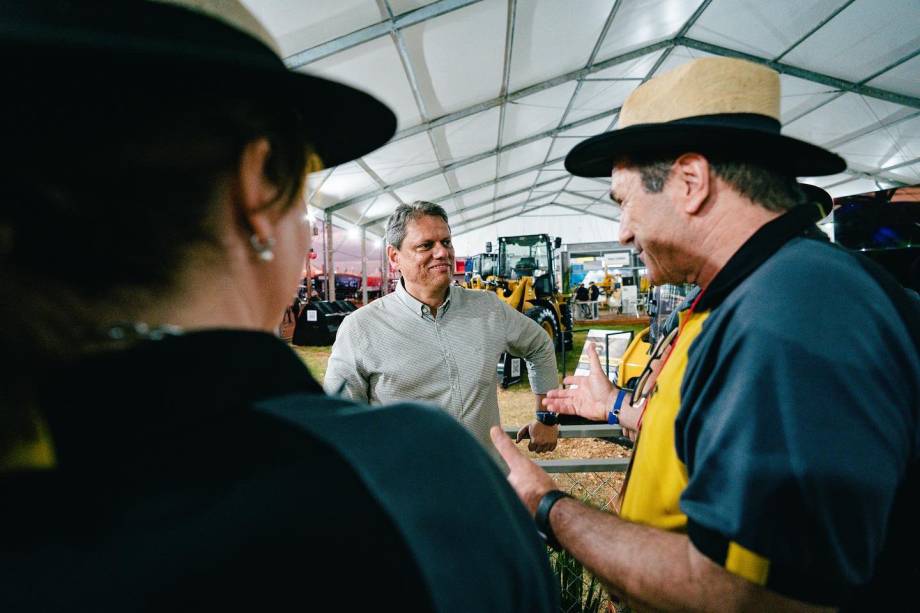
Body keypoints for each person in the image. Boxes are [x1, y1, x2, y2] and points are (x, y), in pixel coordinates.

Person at [0, 3, 559, 611]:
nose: (442, 254)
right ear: (258, 187)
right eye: (303, 187)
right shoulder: (415, 472)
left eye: (446, 243)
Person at [491, 56, 919, 611]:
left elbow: (746, 596)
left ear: (691, 182)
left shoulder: (793, 311)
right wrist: (618, 405)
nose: (622, 233)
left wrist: (547, 505)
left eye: (623, 203)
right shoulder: (769, 289)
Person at [325, 201, 560, 460]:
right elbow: (340, 423)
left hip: (485, 485)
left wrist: (546, 416)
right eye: (426, 245)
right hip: (409, 492)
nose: (442, 253)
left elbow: (540, 345)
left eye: (446, 242)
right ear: (394, 257)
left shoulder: (488, 308)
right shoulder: (361, 328)